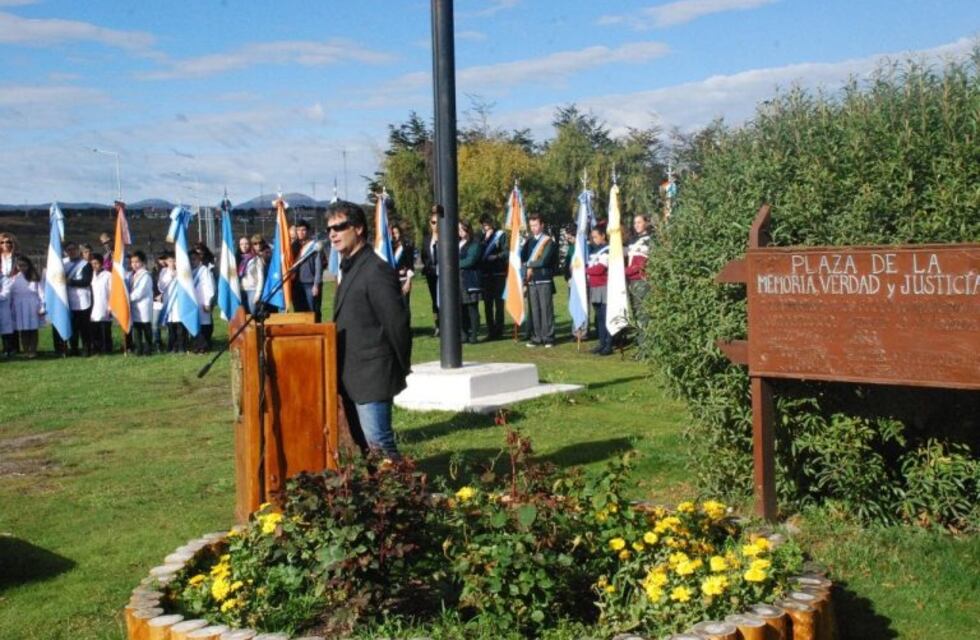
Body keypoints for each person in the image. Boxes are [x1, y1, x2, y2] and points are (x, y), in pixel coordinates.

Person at [328, 200, 411, 461]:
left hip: (373, 374)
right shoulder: (350, 267)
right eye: (329, 229)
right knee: (366, 446)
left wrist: (399, 366)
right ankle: (383, 497)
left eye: (340, 227)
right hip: (350, 374)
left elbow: (397, 323)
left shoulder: (376, 270)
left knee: (379, 443)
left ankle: (404, 495)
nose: (333, 234)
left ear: (359, 229)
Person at [521, 213, 557, 348]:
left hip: (544, 278)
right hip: (531, 280)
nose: (533, 228)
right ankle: (537, 337)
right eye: (531, 226)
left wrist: (529, 264)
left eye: (536, 225)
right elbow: (522, 258)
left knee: (546, 309)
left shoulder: (549, 241)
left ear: (542, 225)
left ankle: (549, 337)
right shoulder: (529, 241)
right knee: (534, 309)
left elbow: (544, 261)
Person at [60, 241, 93, 356]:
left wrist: (70, 282)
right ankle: (73, 348)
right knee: (72, 327)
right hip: (68, 299)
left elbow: (86, 281)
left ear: (78, 250)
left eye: (74, 249)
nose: (72, 251)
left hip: (83, 299)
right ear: (66, 252)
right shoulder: (62, 263)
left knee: (84, 327)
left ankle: (86, 349)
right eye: (69, 250)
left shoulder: (85, 264)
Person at [478, 213, 507, 340]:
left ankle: (499, 330)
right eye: (484, 224)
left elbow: (506, 251)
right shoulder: (481, 237)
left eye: (487, 224)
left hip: (498, 273)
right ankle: (491, 331)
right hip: (485, 274)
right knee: (487, 304)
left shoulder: (500, 235)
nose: (486, 226)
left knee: (499, 303)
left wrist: (496, 257)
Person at [586, 225, 613, 356]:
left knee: (606, 316)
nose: (594, 239)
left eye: (596, 236)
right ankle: (601, 342)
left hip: (604, 286)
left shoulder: (607, 249)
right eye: (592, 237)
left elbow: (600, 269)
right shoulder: (594, 250)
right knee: (599, 317)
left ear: (603, 236)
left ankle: (608, 344)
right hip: (594, 286)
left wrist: (585, 271)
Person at [10, 256, 44, 358]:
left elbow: (41, 293)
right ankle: (25, 351)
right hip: (19, 306)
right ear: (17, 266)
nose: (22, 267)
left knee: (33, 330)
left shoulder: (35, 277)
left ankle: (33, 350)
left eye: (24, 265)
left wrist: (42, 307)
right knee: (23, 330)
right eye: (20, 265)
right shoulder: (14, 279)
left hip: (33, 305)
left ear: (28, 265)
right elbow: (11, 295)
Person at [292, 220, 323, 321]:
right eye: (298, 230)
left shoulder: (315, 246)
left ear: (308, 231)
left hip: (310, 284)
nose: (300, 232)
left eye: (303, 230)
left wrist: (316, 284)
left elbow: (319, 267)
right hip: (296, 284)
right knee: (299, 313)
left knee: (313, 312)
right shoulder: (293, 246)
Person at [458, 220, 483, 344]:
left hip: (469, 279)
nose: (460, 232)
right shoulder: (457, 243)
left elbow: (471, 260)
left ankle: (474, 334)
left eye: (462, 229)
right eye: (458, 230)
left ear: (468, 229)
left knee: (471, 308)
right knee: (460, 308)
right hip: (457, 280)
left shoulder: (475, 243)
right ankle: (463, 333)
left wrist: (454, 264)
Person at [626, 214, 652, 323]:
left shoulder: (649, 240)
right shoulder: (632, 240)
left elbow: (642, 264)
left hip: (642, 280)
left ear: (646, 223)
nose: (636, 225)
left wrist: (625, 271)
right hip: (631, 280)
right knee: (635, 310)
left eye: (639, 222)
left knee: (643, 312)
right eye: (635, 223)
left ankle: (644, 338)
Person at [420, 206, 440, 336]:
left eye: (438, 222)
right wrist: (428, 267)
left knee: (444, 299)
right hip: (431, 274)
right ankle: (438, 325)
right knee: (434, 300)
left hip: (443, 274)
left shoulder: (445, 238)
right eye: (433, 222)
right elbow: (424, 256)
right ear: (430, 223)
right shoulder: (426, 239)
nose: (435, 225)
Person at [129, 251, 154, 356]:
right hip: (135, 306)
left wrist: (127, 299)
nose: (134, 264)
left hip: (143, 305)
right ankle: (138, 349)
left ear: (143, 262)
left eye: (137, 262)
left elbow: (140, 292)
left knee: (145, 327)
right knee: (136, 329)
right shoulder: (134, 275)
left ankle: (148, 348)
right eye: (132, 262)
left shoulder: (145, 276)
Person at [190, 249, 215, 353]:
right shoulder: (190, 272)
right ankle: (198, 346)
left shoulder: (204, 270)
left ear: (199, 258)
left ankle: (204, 346)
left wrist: (207, 302)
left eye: (194, 259)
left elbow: (210, 287)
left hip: (203, 302)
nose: (192, 261)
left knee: (205, 324)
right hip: (193, 302)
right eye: (190, 260)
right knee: (196, 323)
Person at [89, 252, 113, 354]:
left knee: (105, 330)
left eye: (96, 263)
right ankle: (97, 349)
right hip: (93, 308)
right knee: (95, 330)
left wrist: (110, 306)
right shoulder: (91, 275)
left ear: (102, 263)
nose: (94, 266)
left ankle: (107, 349)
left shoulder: (108, 275)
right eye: (92, 263)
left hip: (105, 306)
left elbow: (112, 291)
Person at [391, 223, 415, 313]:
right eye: (393, 233)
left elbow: (410, 265)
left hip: (404, 280)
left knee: (405, 305)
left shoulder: (407, 246)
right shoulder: (390, 247)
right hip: (393, 279)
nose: (395, 235)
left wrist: (408, 282)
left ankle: (406, 326)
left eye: (396, 233)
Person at [0, 232, 16, 356]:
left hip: (15, 289)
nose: (5, 244)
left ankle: (14, 347)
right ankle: (6, 348)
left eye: (8, 242)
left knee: (13, 320)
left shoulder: (17, 257)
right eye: (2, 242)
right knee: (5, 321)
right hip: (3, 288)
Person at [242, 235, 266, 313]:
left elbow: (261, 278)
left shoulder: (257, 259)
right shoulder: (240, 258)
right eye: (255, 244)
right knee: (243, 315)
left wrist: (258, 294)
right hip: (241, 290)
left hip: (252, 290)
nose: (258, 245)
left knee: (254, 314)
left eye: (246, 244)